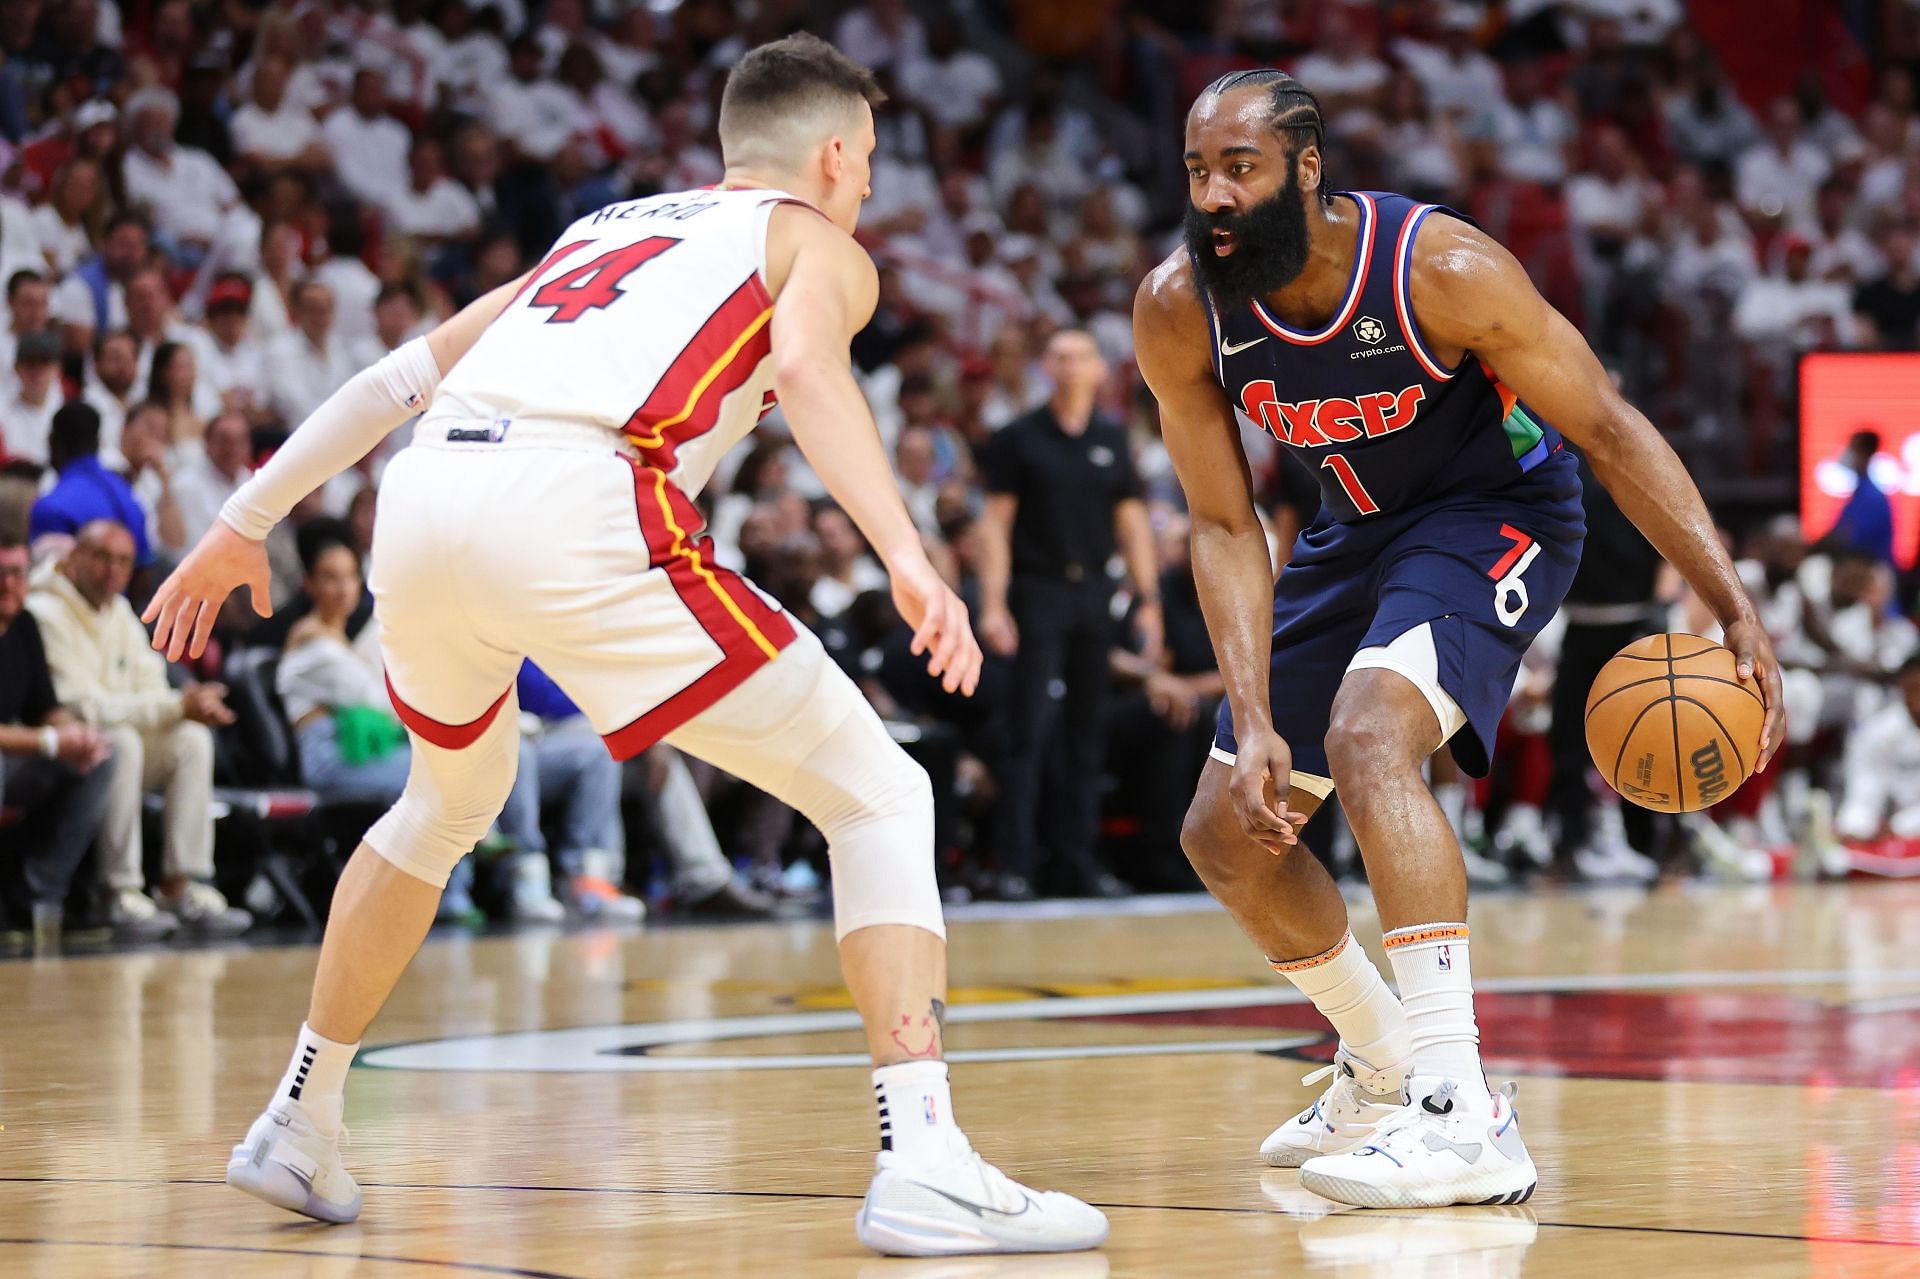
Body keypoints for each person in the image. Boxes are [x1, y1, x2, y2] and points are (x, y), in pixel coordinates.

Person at [147, 34, 1106, 1258]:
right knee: (879, 794)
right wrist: (913, 556)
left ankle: (300, 1117)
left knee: (445, 804)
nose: (865, 187)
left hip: (427, 493)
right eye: (863, 162)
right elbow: (810, 369)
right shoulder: (816, 242)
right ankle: (926, 1159)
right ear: (830, 154)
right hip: (585, 497)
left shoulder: (602, 227)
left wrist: (243, 523)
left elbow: (401, 377)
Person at [1132, 70, 1784, 1210]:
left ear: (1306, 168)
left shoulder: (1441, 269)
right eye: (1198, 170)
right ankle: (1384, 1062)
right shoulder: (1181, 307)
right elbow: (1225, 521)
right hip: (1353, 532)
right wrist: (1250, 708)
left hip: (1503, 512)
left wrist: (1728, 598)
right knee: (1228, 833)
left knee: (1373, 735)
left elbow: (1609, 427)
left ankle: (1460, 1113)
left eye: (1240, 167)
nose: (1215, 195)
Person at [975, 328, 1161, 900]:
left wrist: (1148, 599)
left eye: (1080, 355)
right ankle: (1015, 864)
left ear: (1100, 370)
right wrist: (992, 604)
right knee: (1027, 731)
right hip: (1037, 591)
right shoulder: (1018, 438)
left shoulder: (1111, 438)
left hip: (1094, 594)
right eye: (1058, 355)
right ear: (1045, 368)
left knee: (1087, 731)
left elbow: (1132, 525)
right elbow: (995, 526)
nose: (1069, 364)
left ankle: (1078, 862)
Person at [27, 520, 250, 938]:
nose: (112, 570)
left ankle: (182, 886)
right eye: (101, 557)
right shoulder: (45, 612)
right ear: (74, 559)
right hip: (64, 753)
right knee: (122, 742)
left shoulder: (120, 611)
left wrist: (183, 706)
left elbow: (154, 686)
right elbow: (83, 707)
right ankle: (117, 893)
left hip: (113, 746)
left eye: (124, 561)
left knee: (191, 739)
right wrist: (175, 705)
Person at [0, 531, 115, 945]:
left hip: (17, 758)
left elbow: (45, 705)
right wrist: (52, 742)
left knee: (104, 755)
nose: (8, 584)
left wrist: (76, 734)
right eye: (0, 574)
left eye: (16, 573)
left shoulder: (25, 625)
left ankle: (35, 899)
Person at [29, 403, 155, 571]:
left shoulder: (51, 508)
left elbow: (48, 584)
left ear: (53, 441)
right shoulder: (129, 496)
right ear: (98, 442)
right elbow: (144, 574)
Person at [1827, 430, 1896, 566]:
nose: (1846, 453)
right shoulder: (1857, 496)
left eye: (1852, 448)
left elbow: (1849, 539)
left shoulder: (1873, 499)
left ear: (1865, 453)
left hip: (1871, 575)